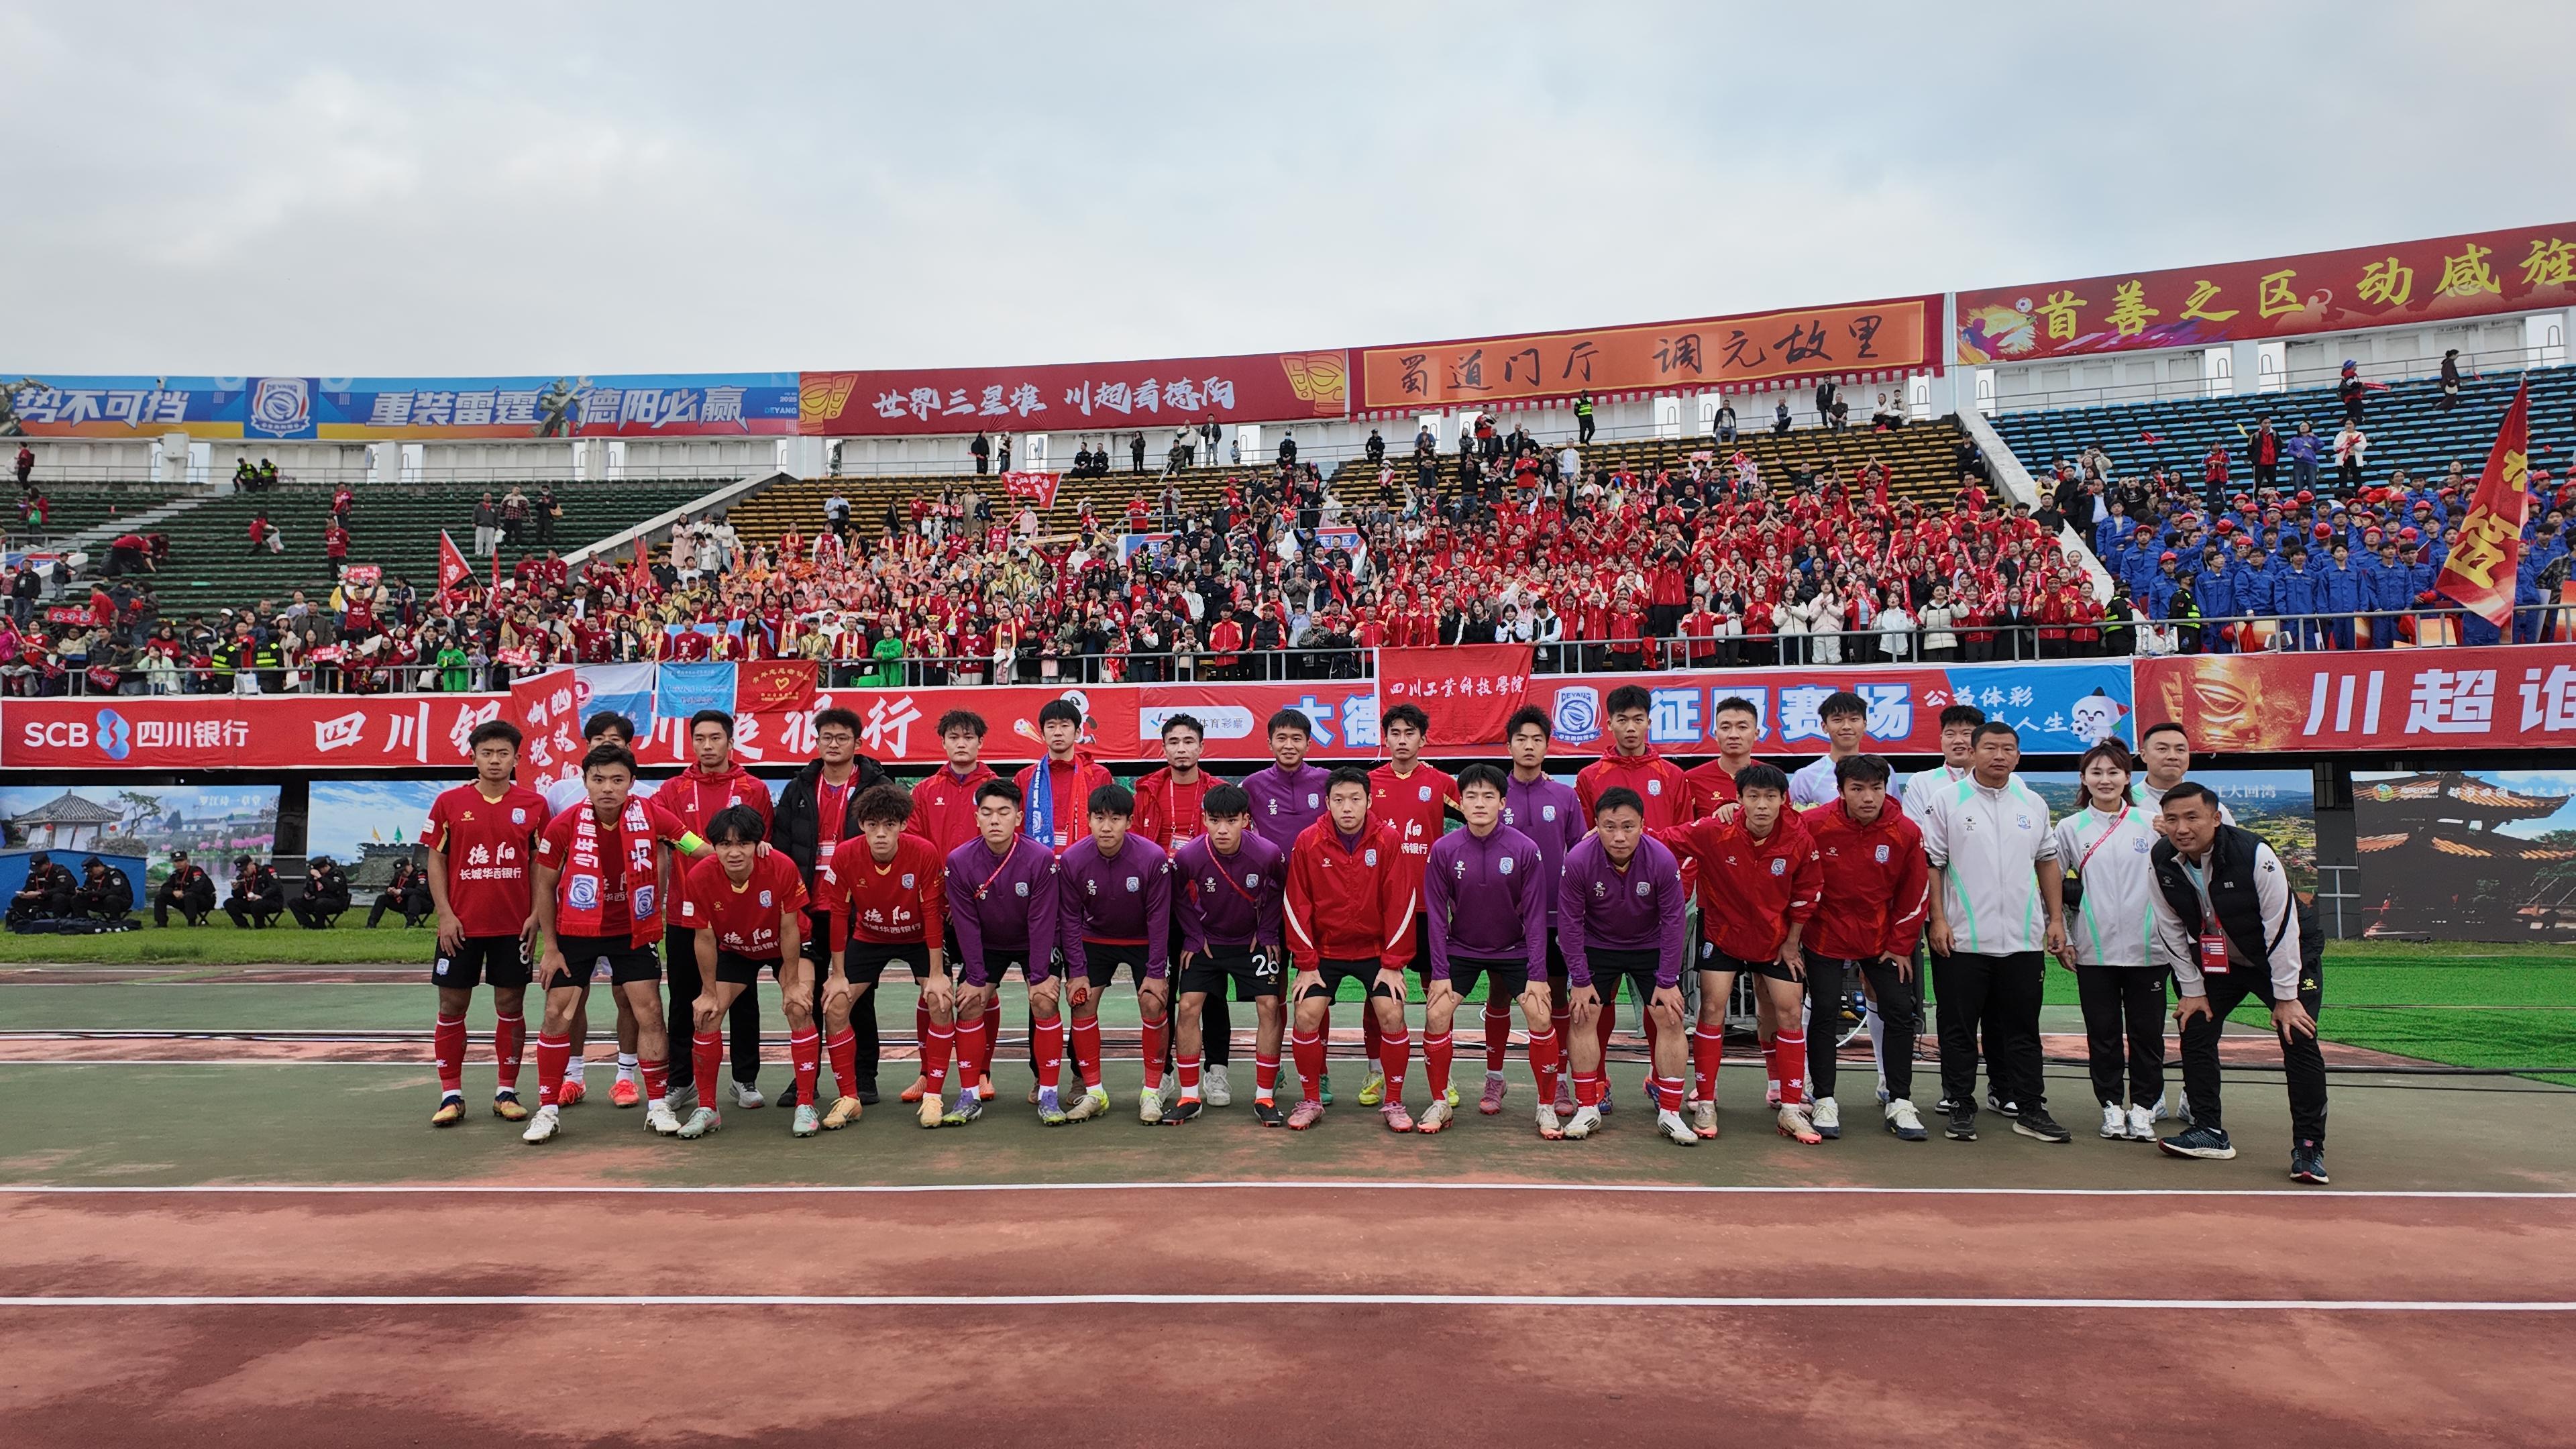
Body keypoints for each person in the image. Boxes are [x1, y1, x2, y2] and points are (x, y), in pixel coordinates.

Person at [522, 743, 708, 1144]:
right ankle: (547, 1110)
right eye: (599, 779)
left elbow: (698, 849)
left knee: (650, 1012)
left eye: (617, 780)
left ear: (631, 783)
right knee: (557, 1013)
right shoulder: (564, 824)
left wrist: (744, 854)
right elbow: (545, 886)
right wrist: (550, 948)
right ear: (586, 782)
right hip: (576, 932)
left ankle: (657, 1104)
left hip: (632, 931)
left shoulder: (653, 815)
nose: (608, 788)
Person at [2150, 782, 2330, 1184]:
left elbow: (2281, 928)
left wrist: (2286, 996)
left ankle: (2308, 1148)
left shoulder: (2254, 854)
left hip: (2284, 957)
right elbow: (2169, 925)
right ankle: (2208, 1131)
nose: (2182, 828)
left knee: (2297, 1037)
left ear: (2216, 818)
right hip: (2222, 962)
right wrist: (2192, 990)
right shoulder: (2161, 859)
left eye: (2193, 817)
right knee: (2195, 1025)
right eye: (2172, 819)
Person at [1654, 763, 1825, 1142]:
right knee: (1712, 1009)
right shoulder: (1714, 829)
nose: (1762, 805)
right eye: (1753, 797)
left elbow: (1808, 892)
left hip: (1775, 940)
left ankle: (1790, 1108)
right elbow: (1662, 839)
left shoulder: (1799, 837)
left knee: (1788, 1011)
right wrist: (1617, 832)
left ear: (1784, 800)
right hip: (1723, 934)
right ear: (1739, 799)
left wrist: (1792, 942)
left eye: (1770, 797)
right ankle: (1706, 1101)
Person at [1919, 722, 2070, 1145]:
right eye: (1989, 748)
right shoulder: (1947, 801)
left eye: (2008, 749)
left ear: (2018, 756)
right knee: (1958, 1029)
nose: (1999, 755)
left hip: (2023, 941)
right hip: (1962, 940)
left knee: (2023, 1029)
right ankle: (1960, 1104)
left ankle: (2031, 1108)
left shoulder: (2033, 802)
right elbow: (1932, 864)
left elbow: (2047, 860)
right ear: (1972, 752)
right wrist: (1938, 920)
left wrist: (2055, 919)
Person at [424, 721, 549, 1126]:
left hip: (513, 927)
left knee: (510, 1005)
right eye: (487, 753)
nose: (495, 761)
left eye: (503, 754)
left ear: (517, 758)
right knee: (451, 1006)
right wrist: (445, 914)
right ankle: (451, 1095)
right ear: (473, 757)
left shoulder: (534, 805)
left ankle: (506, 1092)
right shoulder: (448, 802)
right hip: (460, 927)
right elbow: (436, 860)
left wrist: (536, 915)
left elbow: (541, 863)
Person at [1422, 764, 1558, 1137]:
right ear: (1461, 803)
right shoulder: (1444, 849)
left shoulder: (1524, 849)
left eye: (1488, 796)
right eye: (1471, 797)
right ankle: (1440, 1103)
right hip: (1462, 948)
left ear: (1502, 802)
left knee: (1541, 1016)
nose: (1479, 804)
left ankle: (1546, 1107)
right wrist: (1440, 973)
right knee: (1436, 1015)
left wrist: (1538, 975)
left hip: (1514, 949)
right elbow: (1437, 916)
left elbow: (1535, 917)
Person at [1283, 767, 1417, 1131]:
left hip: (1375, 951)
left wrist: (1393, 963)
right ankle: (1311, 1100)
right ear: (1326, 802)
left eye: (1355, 799)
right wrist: (1306, 963)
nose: (1347, 807)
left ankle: (1394, 1102)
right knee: (1306, 1014)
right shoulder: (1308, 841)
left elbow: (1400, 901)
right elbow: (1297, 903)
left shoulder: (1388, 840)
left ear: (1369, 801)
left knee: (1392, 1013)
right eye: (1339, 799)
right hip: (1325, 952)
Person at [1805, 755, 1932, 1141]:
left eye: (1876, 788)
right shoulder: (1814, 825)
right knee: (1825, 1009)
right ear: (1841, 790)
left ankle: (1899, 1099)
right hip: (1824, 934)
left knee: (1900, 1010)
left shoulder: (1905, 831)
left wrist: (1900, 945)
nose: (1868, 798)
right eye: (1857, 789)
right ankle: (1823, 1097)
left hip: (1881, 939)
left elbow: (1916, 890)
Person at [1558, 788, 1693, 1144]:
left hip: (1649, 944)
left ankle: (1671, 1112)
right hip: (1598, 944)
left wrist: (1667, 979)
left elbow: (1674, 920)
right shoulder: (1579, 859)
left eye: (1628, 827)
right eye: (1610, 826)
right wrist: (1580, 979)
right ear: (1596, 826)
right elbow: (1570, 922)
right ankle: (1587, 1106)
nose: (1619, 836)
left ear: (1643, 825)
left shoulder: (1661, 858)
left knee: (1670, 1015)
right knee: (1583, 1014)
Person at [657, 709, 775, 1114]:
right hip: (685, 912)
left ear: (730, 741)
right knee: (683, 1000)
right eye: (700, 739)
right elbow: (665, 832)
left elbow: (763, 845)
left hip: (739, 915)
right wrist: (705, 851)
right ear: (691, 743)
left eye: (715, 738)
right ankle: (682, 1079)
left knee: (743, 998)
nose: (707, 746)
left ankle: (745, 1079)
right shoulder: (672, 789)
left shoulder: (753, 788)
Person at [772, 706, 891, 1103]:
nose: (834, 744)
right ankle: (805, 1077)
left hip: (857, 908)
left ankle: (864, 1075)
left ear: (858, 743)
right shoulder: (799, 788)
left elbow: (888, 843)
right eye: (827, 738)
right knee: (803, 995)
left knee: (856, 997)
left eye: (842, 738)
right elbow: (782, 847)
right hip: (807, 908)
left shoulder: (877, 787)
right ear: (818, 742)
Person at [674, 805, 814, 1138]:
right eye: (725, 844)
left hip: (783, 947)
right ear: (714, 846)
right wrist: (708, 992)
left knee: (799, 1006)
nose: (734, 852)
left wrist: (793, 984)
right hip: (737, 949)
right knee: (707, 1015)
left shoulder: (781, 866)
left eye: (743, 844)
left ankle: (806, 1104)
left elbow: (790, 929)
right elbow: (704, 939)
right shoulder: (699, 877)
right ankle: (707, 1108)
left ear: (756, 844)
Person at [817, 783, 951, 1130]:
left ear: (903, 825)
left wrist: (937, 974)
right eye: (873, 824)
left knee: (940, 999)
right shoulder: (845, 855)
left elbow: (933, 913)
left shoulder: (923, 853)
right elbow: (837, 914)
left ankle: (933, 1095)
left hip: (918, 937)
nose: (881, 833)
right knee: (835, 1004)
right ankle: (849, 1097)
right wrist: (837, 974)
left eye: (889, 825)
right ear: (862, 825)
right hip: (870, 937)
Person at [2050, 742, 2166, 1142]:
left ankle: (2145, 1109)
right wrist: (2063, 933)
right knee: (2103, 1033)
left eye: (2113, 772)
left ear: (2127, 778)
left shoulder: (2150, 823)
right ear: (2084, 779)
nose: (2105, 780)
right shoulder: (2070, 828)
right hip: (2093, 950)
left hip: (2149, 949)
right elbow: (2053, 884)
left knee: (2147, 1035)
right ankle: (2112, 1107)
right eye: (2096, 773)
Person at [539, 710, 653, 1107]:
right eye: (599, 740)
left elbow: (673, 849)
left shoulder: (646, 799)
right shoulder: (560, 794)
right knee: (572, 1000)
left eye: (615, 740)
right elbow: (546, 869)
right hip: (577, 920)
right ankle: (572, 1077)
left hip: (628, 921)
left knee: (630, 998)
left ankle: (625, 1077)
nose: (607, 786)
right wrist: (547, 938)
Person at [944, 779, 1063, 1124]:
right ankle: (969, 1095)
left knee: (1044, 1000)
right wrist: (975, 977)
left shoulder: (1040, 858)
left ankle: (1049, 1094)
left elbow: (1042, 921)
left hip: (1033, 941)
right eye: (987, 813)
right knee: (970, 1002)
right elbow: (966, 924)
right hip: (988, 944)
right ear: (976, 817)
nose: (995, 820)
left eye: (1003, 812)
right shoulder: (960, 861)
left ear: (1019, 817)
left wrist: (1040, 977)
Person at [1055, 784, 1175, 1122]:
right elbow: (1069, 919)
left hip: (1143, 940)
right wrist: (1077, 971)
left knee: (1153, 1002)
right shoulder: (1074, 860)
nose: (1106, 827)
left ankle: (1151, 1093)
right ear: (1088, 820)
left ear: (1130, 822)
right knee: (1081, 1002)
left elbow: (1159, 919)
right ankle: (1095, 1093)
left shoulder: (1151, 858)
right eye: (1099, 818)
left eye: (1115, 819)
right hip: (1095, 939)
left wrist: (1156, 972)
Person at [1169, 783, 1285, 1125]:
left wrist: (1267, 930)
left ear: (1245, 820)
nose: (1223, 829)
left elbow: (1280, 887)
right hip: (1208, 942)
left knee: (1269, 1006)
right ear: (1204, 819)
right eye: (1215, 820)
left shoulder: (1267, 853)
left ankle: (1264, 1097)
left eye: (1231, 821)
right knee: (1188, 1006)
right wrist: (1194, 934)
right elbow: (1177, 895)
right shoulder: (1189, 856)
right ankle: (1190, 1095)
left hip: (1251, 942)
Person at [1133, 713, 1232, 1102]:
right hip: (1159, 908)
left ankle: (1217, 1071)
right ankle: (1164, 1073)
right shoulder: (1146, 791)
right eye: (1173, 742)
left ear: (1202, 747)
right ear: (1163, 749)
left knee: (1212, 994)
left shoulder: (1219, 792)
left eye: (1189, 742)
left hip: (1208, 909)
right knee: (1162, 992)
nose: (1181, 749)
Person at [899, 708, 997, 1103]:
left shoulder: (995, 787)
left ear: (980, 743)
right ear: (942, 743)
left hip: (982, 905)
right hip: (935, 906)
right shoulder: (925, 791)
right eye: (954, 737)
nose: (961, 743)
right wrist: (939, 896)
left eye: (968, 737)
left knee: (982, 990)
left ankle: (982, 1072)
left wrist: (971, 896)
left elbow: (1003, 845)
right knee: (931, 991)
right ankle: (927, 1072)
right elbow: (916, 849)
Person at [1366, 702, 1459, 1111]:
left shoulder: (1442, 783)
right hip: (1381, 909)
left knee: (1436, 990)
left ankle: (1444, 1073)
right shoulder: (1369, 784)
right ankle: (1376, 1071)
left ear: (1423, 739)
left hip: (1427, 907)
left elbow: (1483, 820)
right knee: (1378, 992)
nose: (1402, 741)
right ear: (1385, 738)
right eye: (1395, 733)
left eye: (1410, 733)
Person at [1499, 706, 1585, 1116]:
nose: (1529, 746)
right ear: (1509, 745)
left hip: (1553, 915)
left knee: (1554, 996)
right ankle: (1494, 1078)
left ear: (1548, 746)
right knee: (1499, 993)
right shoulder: (1495, 792)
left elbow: (1580, 854)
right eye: (1522, 739)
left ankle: (1560, 1081)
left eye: (1537, 740)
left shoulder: (1565, 796)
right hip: (1503, 916)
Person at [1015, 698, 1113, 852]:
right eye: (1051, 726)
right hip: (1037, 860)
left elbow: (1108, 822)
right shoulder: (1024, 778)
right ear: (1042, 734)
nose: (1058, 733)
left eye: (1065, 726)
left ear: (1078, 733)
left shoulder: (1099, 775)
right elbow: (1017, 826)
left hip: (1087, 859)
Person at [1787, 689, 1870, 808]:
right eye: (1837, 720)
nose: (1846, 726)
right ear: (1824, 726)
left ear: (1865, 725)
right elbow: (1793, 817)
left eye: (1854, 719)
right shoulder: (1805, 778)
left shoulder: (1883, 772)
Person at [154, 849, 217, 927]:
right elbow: (164, 888)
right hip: (184, 900)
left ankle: (192, 923)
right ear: (173, 863)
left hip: (205, 900)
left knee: (189, 895)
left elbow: (198, 887)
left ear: (186, 861)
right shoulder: (175, 875)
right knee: (160, 897)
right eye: (176, 861)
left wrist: (183, 893)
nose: (179, 863)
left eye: (181, 860)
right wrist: (173, 892)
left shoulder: (196, 871)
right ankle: (161, 923)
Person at [223, 855, 285, 928]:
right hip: (251, 902)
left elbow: (277, 887)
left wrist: (262, 896)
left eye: (245, 869)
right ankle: (243, 925)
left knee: (257, 904)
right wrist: (235, 889)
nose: (244, 872)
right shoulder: (241, 877)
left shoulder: (266, 871)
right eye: (241, 871)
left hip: (271, 901)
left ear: (251, 864)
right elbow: (238, 896)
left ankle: (260, 926)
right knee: (229, 903)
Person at [291, 855, 352, 928]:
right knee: (294, 902)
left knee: (321, 902)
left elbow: (333, 888)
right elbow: (309, 887)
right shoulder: (314, 875)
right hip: (317, 900)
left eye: (319, 870)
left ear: (325, 867)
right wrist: (308, 892)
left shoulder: (337, 874)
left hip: (335, 901)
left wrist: (320, 878)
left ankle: (320, 924)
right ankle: (308, 924)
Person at [370, 859, 433, 928]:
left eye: (404, 870)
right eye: (401, 871)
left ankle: (410, 923)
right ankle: (371, 924)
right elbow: (392, 886)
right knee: (382, 898)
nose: (403, 872)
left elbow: (421, 891)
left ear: (410, 865)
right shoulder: (399, 876)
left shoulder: (420, 875)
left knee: (414, 897)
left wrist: (402, 892)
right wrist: (390, 891)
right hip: (405, 903)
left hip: (423, 904)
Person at [73, 856, 133, 922]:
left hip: (120, 901)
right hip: (99, 901)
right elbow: (87, 887)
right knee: (77, 899)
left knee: (111, 898)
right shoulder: (91, 876)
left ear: (98, 866)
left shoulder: (113, 874)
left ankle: (114, 920)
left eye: (91, 871)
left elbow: (116, 891)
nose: (90, 873)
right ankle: (84, 921)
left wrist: (97, 893)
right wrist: (83, 891)